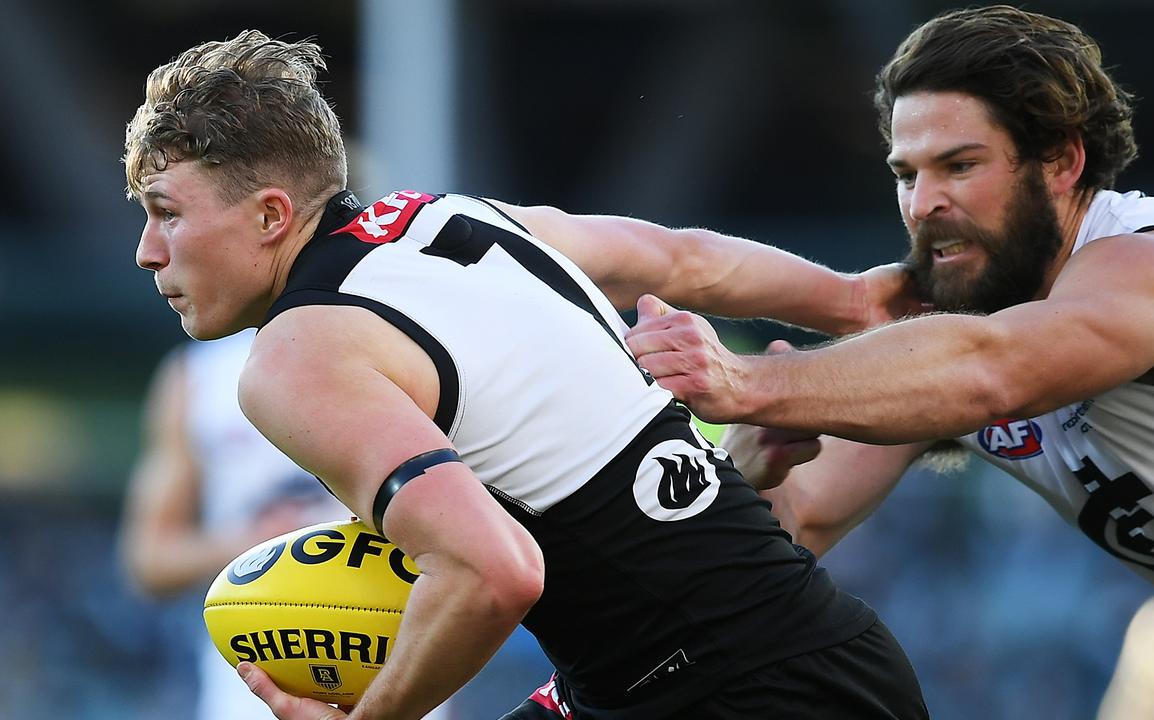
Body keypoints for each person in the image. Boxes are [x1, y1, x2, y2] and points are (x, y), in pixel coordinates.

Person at [123, 30, 929, 720]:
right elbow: (691, 260)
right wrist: (859, 301)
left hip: (724, 691)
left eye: (167, 213)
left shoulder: (293, 358)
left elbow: (495, 571)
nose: (147, 251)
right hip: (816, 659)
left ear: (270, 215)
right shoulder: (461, 221)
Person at [626, 6, 1154, 718]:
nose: (924, 203)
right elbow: (799, 523)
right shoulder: (943, 339)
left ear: (1062, 161)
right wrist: (746, 469)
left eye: (960, 165)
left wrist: (748, 381)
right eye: (906, 173)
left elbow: (993, 371)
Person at [119, 330, 357, 720]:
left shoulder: (390, 339)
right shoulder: (198, 375)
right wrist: (261, 546)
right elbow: (147, 561)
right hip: (251, 682)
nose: (151, 263)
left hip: (387, 663)